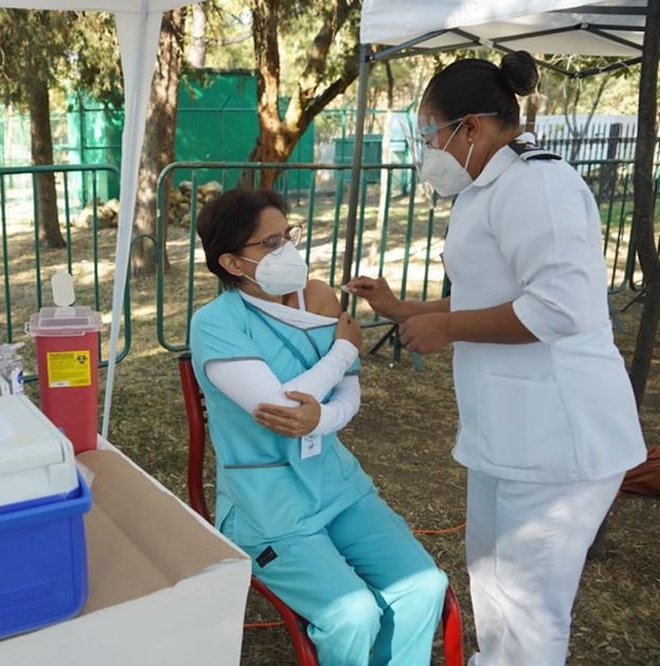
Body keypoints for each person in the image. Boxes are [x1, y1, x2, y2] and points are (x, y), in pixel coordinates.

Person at [346, 51, 647, 666]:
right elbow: (491, 295)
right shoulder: (488, 187)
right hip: (508, 433)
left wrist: (448, 327)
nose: (428, 146)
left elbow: (559, 309)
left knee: (531, 605)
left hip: (561, 441)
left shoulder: (539, 183)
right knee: (493, 579)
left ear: (472, 127)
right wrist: (406, 308)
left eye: (432, 131)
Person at [190, 188, 448, 665]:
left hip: (336, 484)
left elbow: (346, 391)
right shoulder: (215, 324)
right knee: (352, 614)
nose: (287, 249)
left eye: (287, 234)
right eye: (268, 243)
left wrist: (324, 416)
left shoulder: (320, 296)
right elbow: (282, 408)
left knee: (425, 585)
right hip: (267, 506)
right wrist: (344, 350)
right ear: (231, 263)